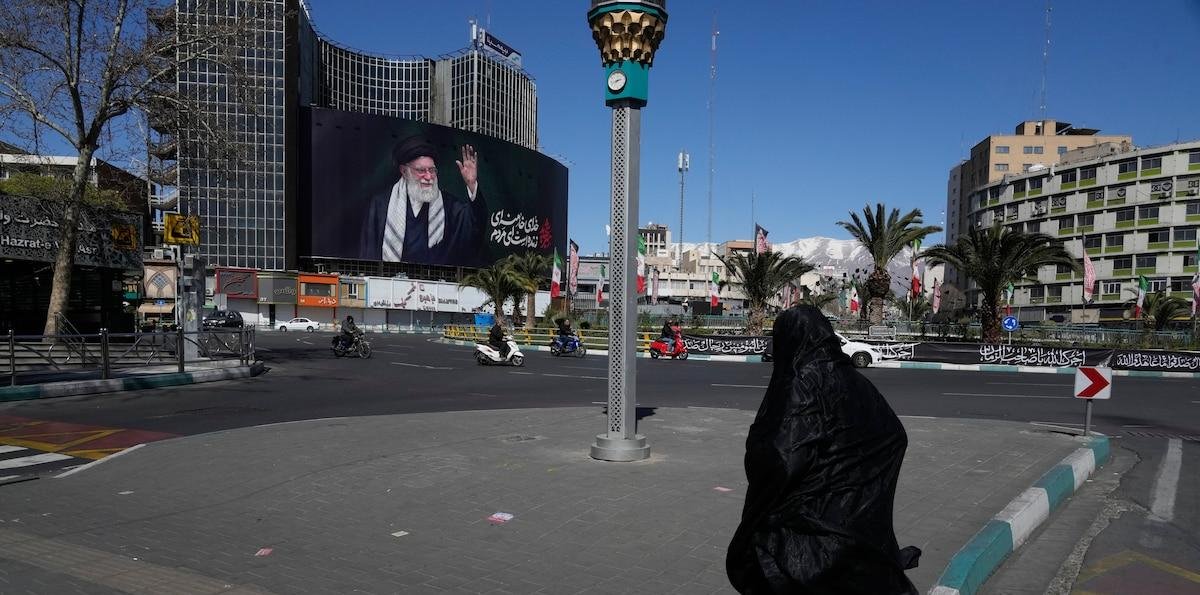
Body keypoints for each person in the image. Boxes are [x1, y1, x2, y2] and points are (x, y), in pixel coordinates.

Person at [726, 305, 919, 594]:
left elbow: (781, 457)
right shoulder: (856, 380)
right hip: (860, 526)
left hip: (811, 534)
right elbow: (894, 435)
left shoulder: (802, 384)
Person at [360, 135, 488, 266]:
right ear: (404, 171)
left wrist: (472, 184)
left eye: (432, 170)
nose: (428, 177)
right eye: (421, 170)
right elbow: (369, 252)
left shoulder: (450, 206)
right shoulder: (381, 205)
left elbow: (475, 226)